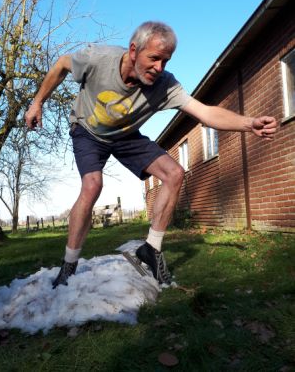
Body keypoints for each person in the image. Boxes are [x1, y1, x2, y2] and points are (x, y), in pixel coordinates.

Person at [25, 21, 277, 287]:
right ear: (134, 51)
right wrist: (37, 102)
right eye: (154, 58)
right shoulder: (98, 59)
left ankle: (151, 249)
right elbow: (62, 65)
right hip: (88, 131)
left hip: (125, 136)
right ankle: (69, 264)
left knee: (174, 173)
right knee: (92, 184)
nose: (159, 68)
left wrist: (248, 123)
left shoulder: (165, 85)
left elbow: (204, 111)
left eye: (165, 61)